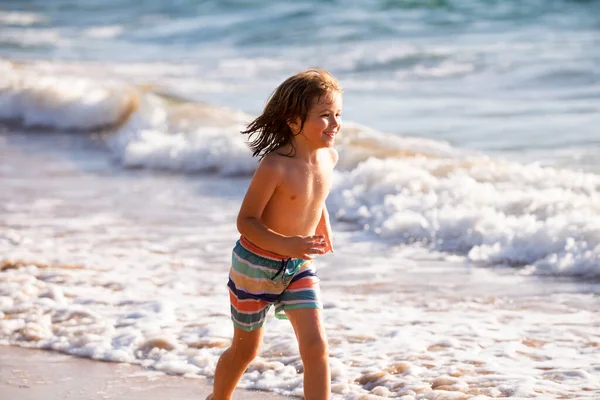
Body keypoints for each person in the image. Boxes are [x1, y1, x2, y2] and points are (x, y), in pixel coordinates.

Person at [206, 68, 342, 400]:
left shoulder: (329, 158)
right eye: (325, 116)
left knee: (316, 346)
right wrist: (287, 242)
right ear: (294, 122)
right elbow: (246, 221)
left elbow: (316, 197)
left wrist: (322, 227)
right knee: (246, 350)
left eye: (338, 114)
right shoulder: (275, 165)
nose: (336, 124)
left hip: (298, 267)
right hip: (255, 265)